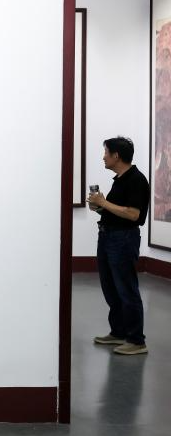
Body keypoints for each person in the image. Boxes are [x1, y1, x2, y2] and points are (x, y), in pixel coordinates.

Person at [88, 136, 151, 355]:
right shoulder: (120, 179)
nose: (103, 157)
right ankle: (119, 332)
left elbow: (133, 214)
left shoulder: (137, 180)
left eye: (106, 152)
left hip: (123, 240)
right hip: (108, 237)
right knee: (111, 288)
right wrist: (100, 207)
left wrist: (104, 203)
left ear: (116, 155)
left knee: (126, 289)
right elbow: (118, 210)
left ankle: (136, 341)